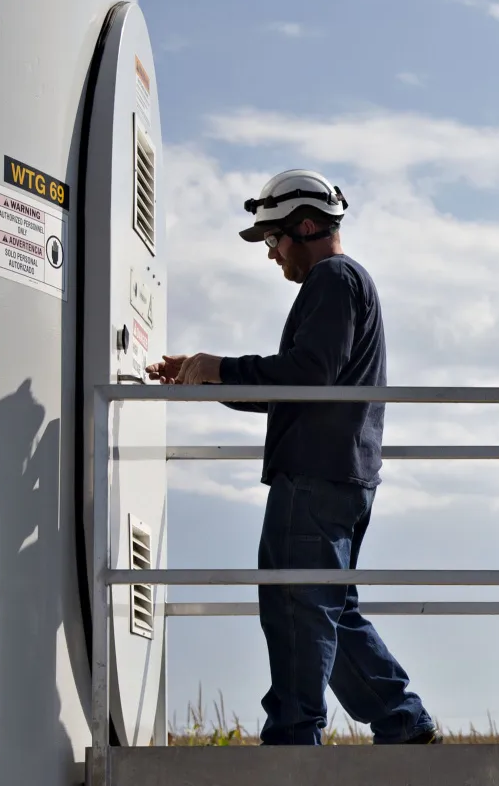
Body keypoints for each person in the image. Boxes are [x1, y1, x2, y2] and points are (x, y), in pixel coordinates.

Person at [148, 169, 439, 746]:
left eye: (273, 240)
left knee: (294, 602)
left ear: (305, 226)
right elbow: (302, 386)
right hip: (342, 473)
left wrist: (223, 368)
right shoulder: (345, 282)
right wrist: (206, 377)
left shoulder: (332, 278)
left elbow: (310, 374)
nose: (272, 255)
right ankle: (400, 718)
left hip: (315, 475)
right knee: (327, 604)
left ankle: (293, 732)